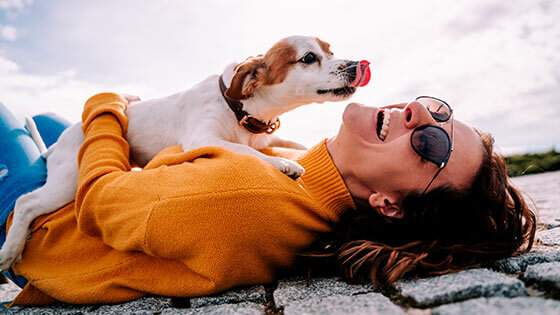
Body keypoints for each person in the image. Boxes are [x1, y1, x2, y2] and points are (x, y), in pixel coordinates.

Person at [1, 93, 535, 306]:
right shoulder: (305, 170)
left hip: (43, 236)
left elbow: (101, 203)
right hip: (63, 200)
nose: (419, 116)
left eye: (430, 145)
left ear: (387, 205)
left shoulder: (247, 197)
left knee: (10, 119)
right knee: (48, 124)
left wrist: (106, 108)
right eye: (436, 111)